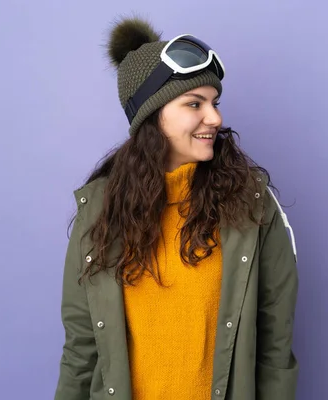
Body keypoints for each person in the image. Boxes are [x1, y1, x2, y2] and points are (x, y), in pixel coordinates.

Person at [54, 17, 299, 400]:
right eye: (194, 103)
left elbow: (274, 349)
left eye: (214, 103)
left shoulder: (251, 206)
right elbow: (81, 352)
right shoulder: (99, 212)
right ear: (153, 116)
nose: (215, 118)